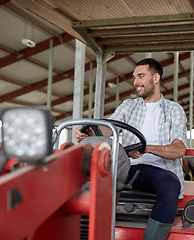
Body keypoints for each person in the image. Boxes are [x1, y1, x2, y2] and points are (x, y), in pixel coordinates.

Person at [74, 58, 187, 240]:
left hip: (157, 172)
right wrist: (88, 130)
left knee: (170, 184)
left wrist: (148, 148)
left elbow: (179, 149)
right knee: (83, 177)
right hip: (125, 167)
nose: (136, 82)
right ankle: (86, 231)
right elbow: (108, 128)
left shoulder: (174, 110)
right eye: (135, 77)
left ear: (156, 78)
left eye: (141, 76)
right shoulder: (128, 106)